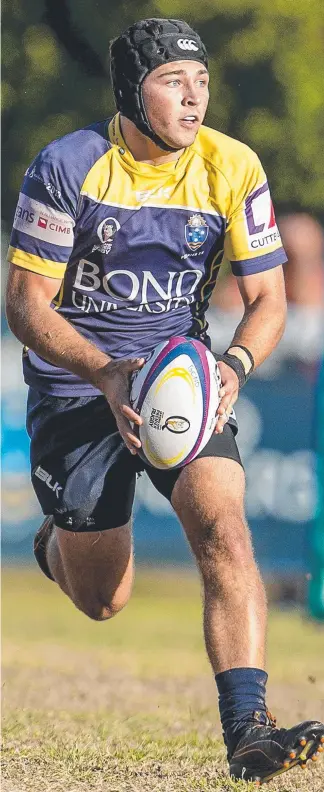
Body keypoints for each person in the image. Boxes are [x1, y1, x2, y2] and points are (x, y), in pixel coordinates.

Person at [6, 18, 323, 784]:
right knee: (103, 599)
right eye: (173, 82)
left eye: (202, 82)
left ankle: (248, 728)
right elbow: (27, 305)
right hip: (78, 386)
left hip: (180, 382)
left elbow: (269, 300)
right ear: (130, 90)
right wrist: (105, 372)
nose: (194, 99)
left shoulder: (232, 165)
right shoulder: (69, 165)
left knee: (226, 530)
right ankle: (59, 541)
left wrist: (235, 365)